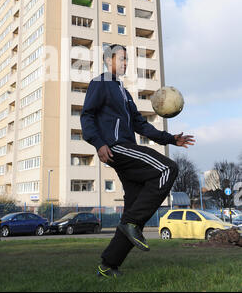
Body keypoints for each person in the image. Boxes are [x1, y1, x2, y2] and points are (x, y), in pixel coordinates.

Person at [80, 44, 195, 278]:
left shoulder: (123, 91)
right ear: (108, 59)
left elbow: (140, 124)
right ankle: (132, 223)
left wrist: (170, 138)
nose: (125, 63)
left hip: (126, 147)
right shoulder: (100, 83)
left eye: (127, 59)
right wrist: (99, 143)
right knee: (167, 168)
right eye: (122, 58)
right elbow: (87, 115)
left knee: (133, 208)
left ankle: (108, 264)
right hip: (115, 147)